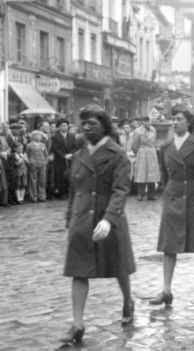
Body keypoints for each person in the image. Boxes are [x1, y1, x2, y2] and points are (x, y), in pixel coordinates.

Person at [60, 105, 135, 345]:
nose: (86, 128)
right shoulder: (79, 153)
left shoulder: (118, 154)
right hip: (82, 220)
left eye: (92, 123)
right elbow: (74, 188)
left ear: (104, 126)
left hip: (108, 220)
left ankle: (128, 300)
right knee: (78, 270)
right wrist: (70, 216)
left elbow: (120, 190)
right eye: (83, 123)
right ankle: (77, 324)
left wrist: (109, 219)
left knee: (118, 266)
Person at [150, 104, 194, 305]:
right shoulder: (165, 147)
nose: (175, 122)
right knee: (168, 244)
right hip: (173, 196)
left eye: (179, 119)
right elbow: (165, 175)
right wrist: (168, 192)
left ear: (188, 122)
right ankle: (166, 290)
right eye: (173, 119)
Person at [131, 116, 160, 201]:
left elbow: (154, 141)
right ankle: (140, 194)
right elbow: (134, 145)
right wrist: (138, 153)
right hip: (142, 151)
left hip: (151, 151)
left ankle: (151, 195)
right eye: (145, 121)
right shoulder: (138, 131)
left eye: (148, 121)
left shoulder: (153, 130)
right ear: (142, 122)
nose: (147, 123)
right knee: (142, 174)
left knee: (152, 174)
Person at [51, 118, 76, 199]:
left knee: (70, 175)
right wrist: (64, 156)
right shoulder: (55, 136)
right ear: (59, 127)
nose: (64, 127)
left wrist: (72, 154)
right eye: (63, 126)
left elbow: (74, 146)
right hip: (60, 160)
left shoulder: (71, 136)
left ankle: (69, 193)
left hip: (70, 159)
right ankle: (62, 193)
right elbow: (55, 148)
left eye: (66, 125)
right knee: (61, 176)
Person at [26, 130, 48, 202]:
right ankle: (33, 197)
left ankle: (41, 196)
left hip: (42, 164)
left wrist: (45, 162)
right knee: (33, 181)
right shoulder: (29, 145)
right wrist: (30, 162)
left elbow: (46, 154)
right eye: (36, 135)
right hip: (33, 164)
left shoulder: (43, 145)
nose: (39, 137)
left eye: (40, 136)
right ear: (32, 137)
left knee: (42, 181)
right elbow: (27, 155)